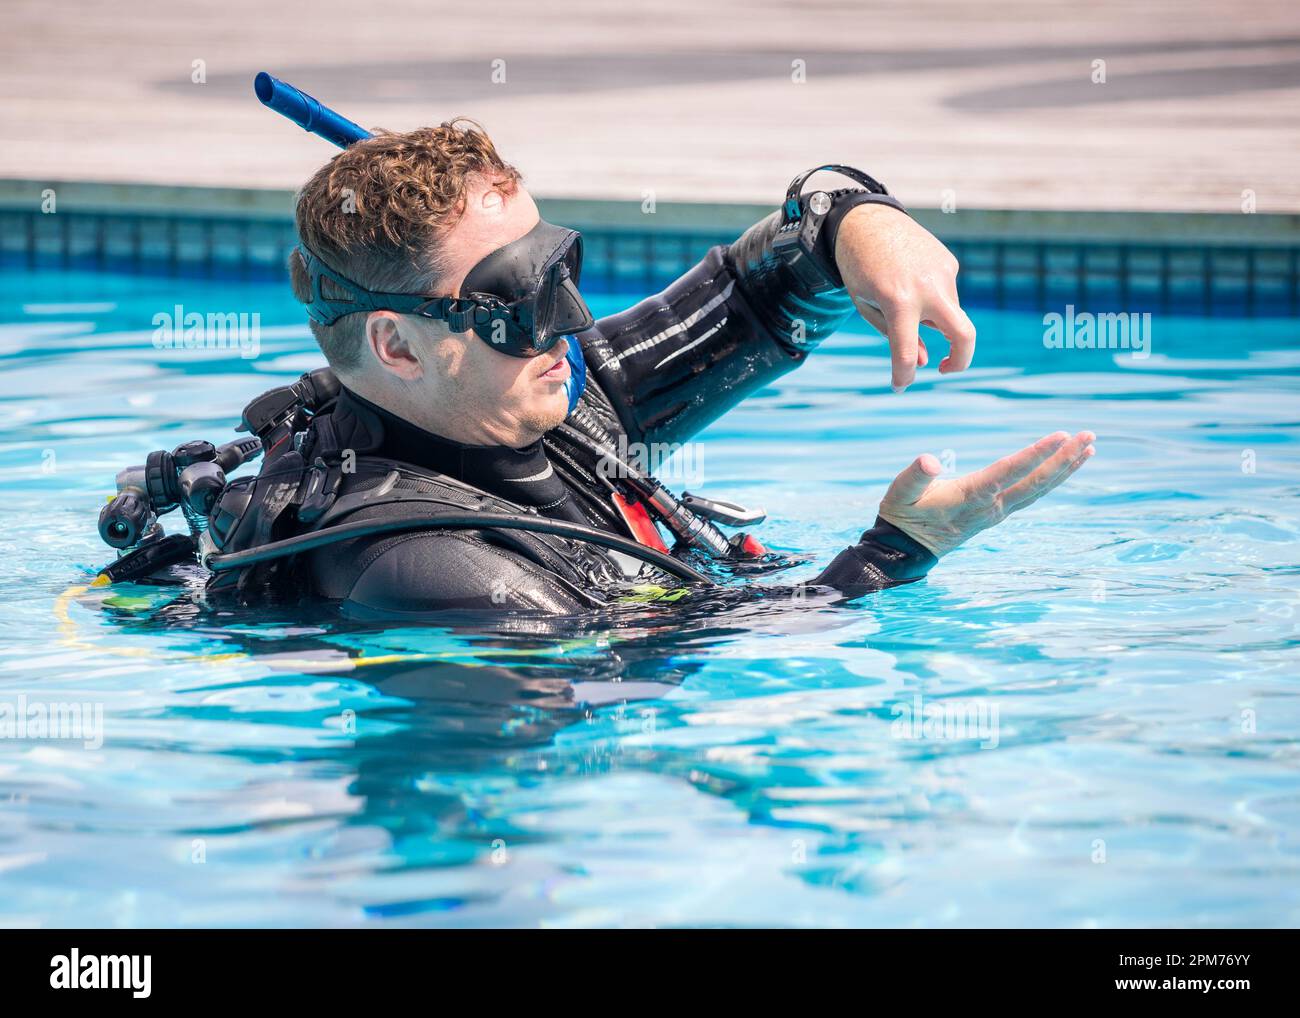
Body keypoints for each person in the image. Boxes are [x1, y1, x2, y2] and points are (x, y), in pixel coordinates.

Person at [201, 121, 1094, 615]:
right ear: (396, 346)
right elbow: (661, 681)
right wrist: (889, 559)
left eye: (560, 269)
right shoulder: (424, 569)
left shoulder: (551, 396)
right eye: (517, 299)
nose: (573, 323)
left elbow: (770, 281)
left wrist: (861, 222)